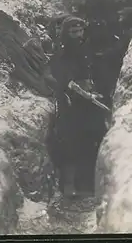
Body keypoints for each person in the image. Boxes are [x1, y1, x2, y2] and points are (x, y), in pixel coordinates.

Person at [46, 16, 108, 198]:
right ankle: (69, 185)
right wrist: (79, 91)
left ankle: (89, 184)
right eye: (73, 32)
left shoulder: (88, 49)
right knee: (70, 142)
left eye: (80, 31)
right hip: (71, 103)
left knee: (94, 137)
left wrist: (96, 90)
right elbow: (64, 78)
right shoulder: (61, 53)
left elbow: (96, 70)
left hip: (91, 102)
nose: (78, 35)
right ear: (66, 33)